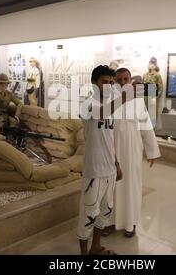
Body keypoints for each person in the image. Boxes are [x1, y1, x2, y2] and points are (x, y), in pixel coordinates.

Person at [102, 68, 161, 238]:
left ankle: (130, 224)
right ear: (114, 81)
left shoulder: (138, 102)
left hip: (133, 152)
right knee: (110, 188)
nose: (122, 83)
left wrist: (152, 152)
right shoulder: (108, 101)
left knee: (131, 187)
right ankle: (109, 222)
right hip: (111, 152)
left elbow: (146, 128)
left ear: (130, 81)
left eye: (125, 79)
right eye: (119, 80)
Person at [76, 65, 129, 255]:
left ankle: (95, 247)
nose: (108, 86)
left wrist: (117, 164)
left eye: (110, 82)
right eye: (104, 82)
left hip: (110, 169)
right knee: (88, 214)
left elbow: (110, 139)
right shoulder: (87, 104)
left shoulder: (111, 107)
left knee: (105, 212)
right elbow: (101, 113)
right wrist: (123, 98)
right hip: (94, 171)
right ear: (94, 84)